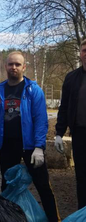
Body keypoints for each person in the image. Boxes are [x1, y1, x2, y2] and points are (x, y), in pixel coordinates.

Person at [0, 51, 60, 222]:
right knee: (7, 186)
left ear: (24, 67)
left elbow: (41, 120)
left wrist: (39, 147)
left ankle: (54, 219)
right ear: (5, 66)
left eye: (17, 64)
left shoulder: (33, 90)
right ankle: (7, 218)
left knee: (43, 186)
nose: (14, 67)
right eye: (11, 64)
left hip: (30, 147)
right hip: (7, 146)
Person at [55, 39, 86, 210]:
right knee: (81, 176)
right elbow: (64, 107)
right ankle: (83, 211)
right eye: (84, 50)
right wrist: (59, 133)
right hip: (80, 134)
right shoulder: (72, 78)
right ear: (80, 54)